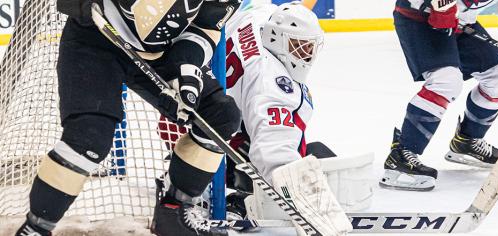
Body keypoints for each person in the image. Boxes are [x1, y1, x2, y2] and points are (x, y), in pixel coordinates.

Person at [14, 0, 242, 235]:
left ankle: (173, 214)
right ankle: (35, 228)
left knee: (219, 115)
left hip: (162, 53)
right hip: (96, 38)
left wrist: (184, 67)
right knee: (89, 139)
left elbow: (206, 26)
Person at [381, 0, 498, 191]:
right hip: (420, 19)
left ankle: (467, 141)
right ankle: (402, 154)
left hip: (462, 23)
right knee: (446, 81)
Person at [221, 2, 359, 235]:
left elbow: (251, 6)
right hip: (214, 146)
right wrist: (308, 206)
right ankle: (239, 197)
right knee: (320, 158)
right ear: (276, 38)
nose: (307, 55)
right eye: (299, 46)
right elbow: (274, 153)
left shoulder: (256, 20)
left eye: (310, 47)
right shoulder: (273, 86)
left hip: (190, 123)